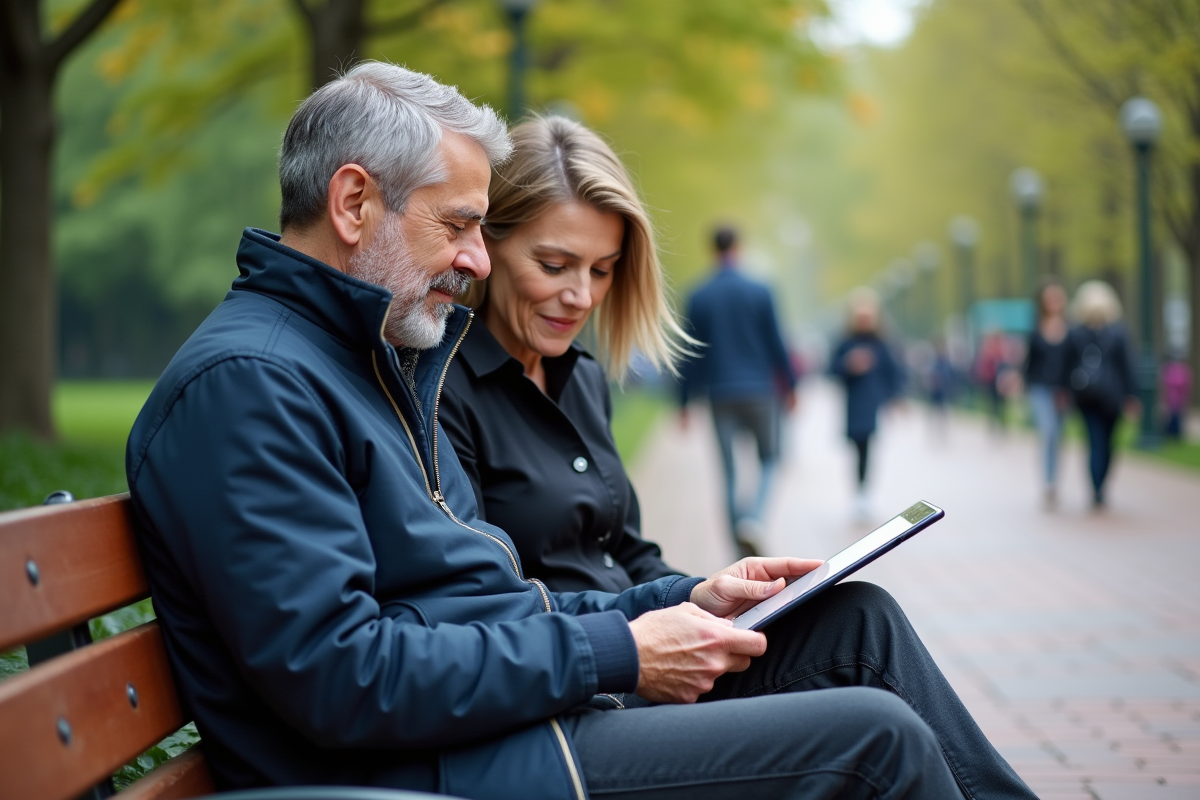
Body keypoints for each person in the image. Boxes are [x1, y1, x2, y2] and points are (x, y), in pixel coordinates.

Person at [127, 62, 1036, 800]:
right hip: (428, 770)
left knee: (850, 627)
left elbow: (497, 602)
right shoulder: (251, 385)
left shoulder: (367, 364)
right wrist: (624, 651)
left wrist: (674, 604)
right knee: (871, 742)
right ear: (355, 202)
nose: (477, 262)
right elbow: (342, 676)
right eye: (461, 227)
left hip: (496, 731)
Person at [441, 116, 687, 594]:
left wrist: (712, 599)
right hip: (586, 657)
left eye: (601, 271)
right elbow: (483, 597)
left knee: (852, 612)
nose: (582, 296)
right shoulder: (442, 388)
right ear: (485, 244)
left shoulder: (584, 379)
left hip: (645, 638)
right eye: (555, 266)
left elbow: (626, 551)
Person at [678, 226, 797, 557]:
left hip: (719, 393)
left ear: (712, 249)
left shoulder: (699, 294)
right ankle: (754, 518)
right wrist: (791, 386)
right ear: (739, 248)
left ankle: (738, 548)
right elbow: (776, 341)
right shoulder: (761, 290)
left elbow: (690, 353)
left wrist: (684, 401)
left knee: (728, 470)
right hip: (760, 389)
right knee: (771, 458)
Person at [1060, 280, 1138, 510]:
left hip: (1101, 397)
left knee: (1103, 443)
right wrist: (1131, 396)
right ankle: (1098, 488)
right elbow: (1067, 365)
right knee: (1099, 442)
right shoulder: (1083, 333)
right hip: (1094, 398)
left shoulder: (1110, 333)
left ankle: (1098, 486)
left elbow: (1127, 365)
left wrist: (1131, 395)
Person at [829, 288, 904, 523]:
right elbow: (831, 370)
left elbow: (894, 373)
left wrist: (895, 397)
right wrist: (849, 365)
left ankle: (864, 494)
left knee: (868, 448)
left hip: (872, 405)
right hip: (853, 405)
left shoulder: (882, 343)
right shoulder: (845, 342)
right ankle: (859, 493)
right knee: (856, 448)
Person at [1023, 281, 1069, 508]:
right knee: (1048, 432)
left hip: (1062, 391)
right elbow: (1028, 364)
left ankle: (1055, 482)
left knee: (1059, 437)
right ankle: (1048, 484)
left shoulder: (1070, 329)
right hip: (1040, 389)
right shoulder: (1035, 329)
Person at [1161, 351, 1192, 440]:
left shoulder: (1183, 370)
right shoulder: (1169, 369)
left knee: (1177, 416)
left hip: (1178, 399)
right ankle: (1171, 434)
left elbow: (1184, 385)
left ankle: (1175, 434)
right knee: (1170, 416)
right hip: (1171, 398)